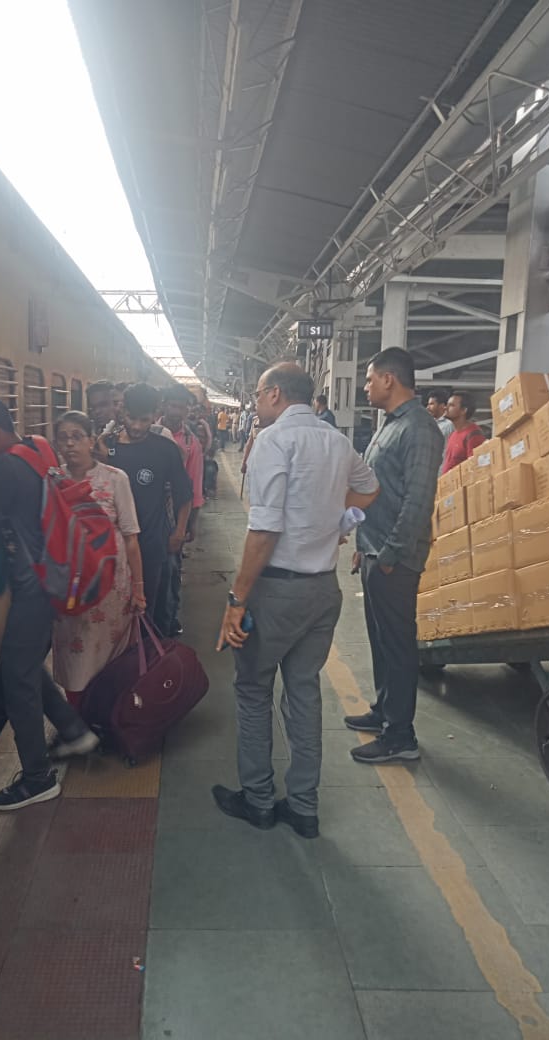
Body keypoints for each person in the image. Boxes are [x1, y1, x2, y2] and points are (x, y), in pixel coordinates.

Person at [211, 364, 379, 837]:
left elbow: (264, 529)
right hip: (323, 590)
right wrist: (339, 522)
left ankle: (259, 799)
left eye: (258, 392)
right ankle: (303, 807)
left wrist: (236, 599)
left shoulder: (273, 441)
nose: (255, 401)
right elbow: (370, 490)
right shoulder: (337, 441)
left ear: (275, 394)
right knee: (303, 693)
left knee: (253, 690)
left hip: (277, 591)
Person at [0, 390, 98, 811]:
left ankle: (37, 778)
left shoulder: (4, 470)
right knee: (24, 665)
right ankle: (72, 730)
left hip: (35, 587)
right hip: (52, 576)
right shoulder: (36, 446)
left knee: (16, 676)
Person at [348, 347, 444, 763]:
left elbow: (418, 501)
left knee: (399, 644)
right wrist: (361, 546)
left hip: (394, 558)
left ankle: (400, 736)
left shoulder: (420, 429)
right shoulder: (389, 425)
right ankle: (385, 711)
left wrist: (389, 554)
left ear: (390, 379)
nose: (366, 386)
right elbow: (377, 489)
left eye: (370, 379)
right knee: (380, 639)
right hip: (374, 549)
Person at [51, 411, 146, 717]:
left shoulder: (115, 479)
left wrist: (138, 589)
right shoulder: (52, 481)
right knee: (73, 659)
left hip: (111, 590)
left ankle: (107, 720)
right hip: (69, 591)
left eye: (77, 436)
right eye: (63, 437)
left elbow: (131, 537)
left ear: (92, 440)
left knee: (108, 660)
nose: (69, 443)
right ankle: (79, 721)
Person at [105, 383, 193, 619]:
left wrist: (179, 531)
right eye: (132, 418)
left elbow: (184, 493)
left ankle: (146, 654)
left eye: (144, 420)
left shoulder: (165, 450)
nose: (136, 426)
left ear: (155, 416)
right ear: (123, 411)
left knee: (145, 611)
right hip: (111, 545)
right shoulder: (107, 447)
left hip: (151, 545)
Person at [156, 387, 205, 635]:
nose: (176, 411)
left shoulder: (191, 443)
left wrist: (189, 524)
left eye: (181, 407)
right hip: (147, 511)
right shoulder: (149, 433)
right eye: (172, 405)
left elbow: (194, 485)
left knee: (171, 568)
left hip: (175, 514)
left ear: (187, 410)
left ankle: (169, 621)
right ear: (163, 404)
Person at [441, 391, 487, 474]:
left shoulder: (473, 435)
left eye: (451, 405)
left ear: (463, 410)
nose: (445, 408)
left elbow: (476, 469)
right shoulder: (453, 435)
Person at [425, 389, 454, 472]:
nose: (428, 407)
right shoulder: (430, 424)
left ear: (441, 405)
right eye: (428, 404)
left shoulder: (449, 425)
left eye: (431, 404)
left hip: (442, 472)